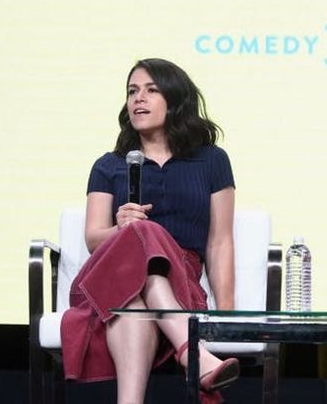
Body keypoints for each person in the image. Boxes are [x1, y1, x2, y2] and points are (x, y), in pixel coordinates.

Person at [61, 58, 239, 404]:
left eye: (151, 90)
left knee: (137, 292)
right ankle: (191, 352)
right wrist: (120, 229)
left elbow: (220, 241)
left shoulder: (212, 161)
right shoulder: (108, 165)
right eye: (132, 92)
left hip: (179, 283)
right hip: (107, 281)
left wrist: (226, 313)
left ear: (175, 101)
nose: (138, 99)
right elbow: (94, 238)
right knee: (142, 235)